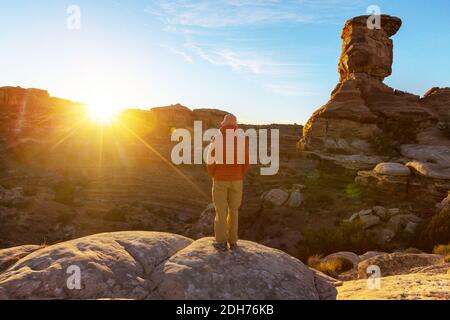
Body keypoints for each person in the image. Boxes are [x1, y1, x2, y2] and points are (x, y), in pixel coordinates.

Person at [207, 114, 250, 251]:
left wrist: (214, 173)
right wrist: (238, 173)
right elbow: (247, 161)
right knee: (234, 211)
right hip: (237, 180)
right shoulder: (242, 139)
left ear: (223, 124)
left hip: (220, 179)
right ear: (236, 125)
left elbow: (210, 160)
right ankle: (233, 242)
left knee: (221, 211)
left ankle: (220, 242)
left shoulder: (217, 137)